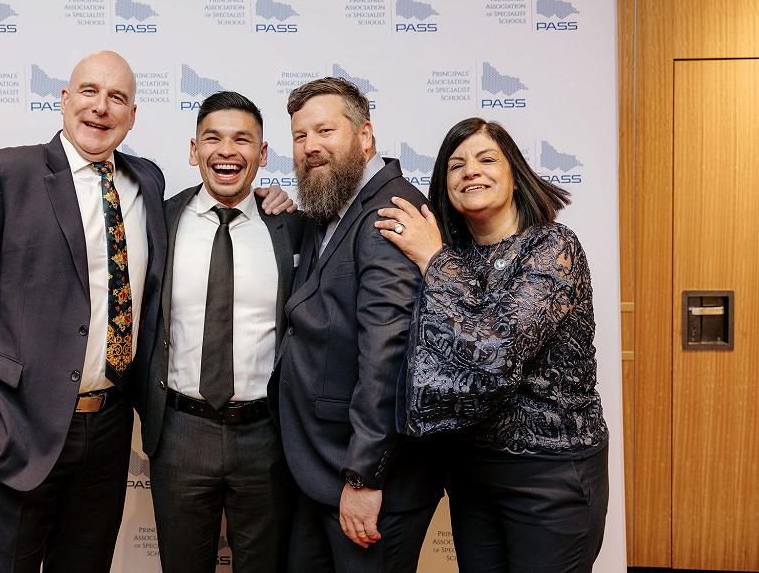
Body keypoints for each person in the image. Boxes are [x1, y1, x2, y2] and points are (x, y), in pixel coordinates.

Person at [0, 51, 291, 572]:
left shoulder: (146, 183)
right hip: (15, 427)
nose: (101, 107)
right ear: (63, 100)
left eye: (117, 97)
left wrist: (274, 199)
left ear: (132, 115)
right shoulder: (4, 173)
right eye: (89, 92)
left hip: (108, 432)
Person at [375, 117, 610, 572]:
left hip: (549, 475)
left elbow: (495, 352)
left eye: (486, 159)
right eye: (456, 165)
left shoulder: (551, 247)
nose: (471, 171)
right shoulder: (456, 254)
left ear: (514, 173)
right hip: (471, 471)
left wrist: (433, 260)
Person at [274, 77, 444, 573]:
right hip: (322, 467)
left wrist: (364, 478)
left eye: (325, 131)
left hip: (368, 478)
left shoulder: (390, 214)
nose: (310, 146)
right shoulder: (338, 204)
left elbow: (389, 355)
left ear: (365, 135)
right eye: (300, 136)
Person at [135, 91, 305, 573]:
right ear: (194, 151)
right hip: (180, 432)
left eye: (242, 140)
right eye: (213, 138)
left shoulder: (292, 226)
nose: (227, 151)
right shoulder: (159, 221)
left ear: (263, 154)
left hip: (267, 435)